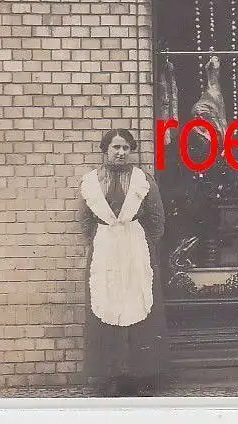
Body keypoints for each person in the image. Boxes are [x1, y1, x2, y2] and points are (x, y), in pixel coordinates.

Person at [79, 128, 169, 397]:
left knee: (141, 305)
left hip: (136, 249)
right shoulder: (92, 182)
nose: (120, 153)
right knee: (105, 305)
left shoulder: (142, 180)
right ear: (105, 150)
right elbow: (85, 221)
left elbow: (156, 219)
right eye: (115, 147)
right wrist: (103, 241)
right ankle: (111, 377)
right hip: (105, 250)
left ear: (131, 151)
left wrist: (141, 244)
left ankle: (144, 377)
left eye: (125, 148)